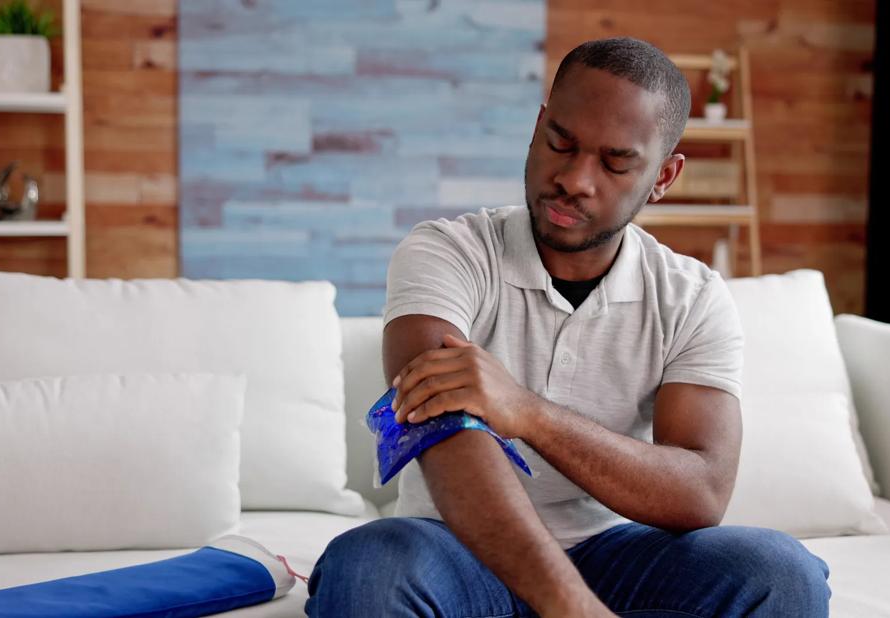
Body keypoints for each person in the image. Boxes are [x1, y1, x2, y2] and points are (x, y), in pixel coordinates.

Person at [305, 37, 830, 617]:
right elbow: (439, 433)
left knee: (780, 572)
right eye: (561, 142)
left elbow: (701, 492)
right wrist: (568, 605)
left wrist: (527, 412)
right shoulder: (447, 252)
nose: (576, 179)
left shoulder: (691, 297)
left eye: (615, 162)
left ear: (663, 176)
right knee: (371, 566)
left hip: (614, 555)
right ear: (537, 128)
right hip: (454, 551)